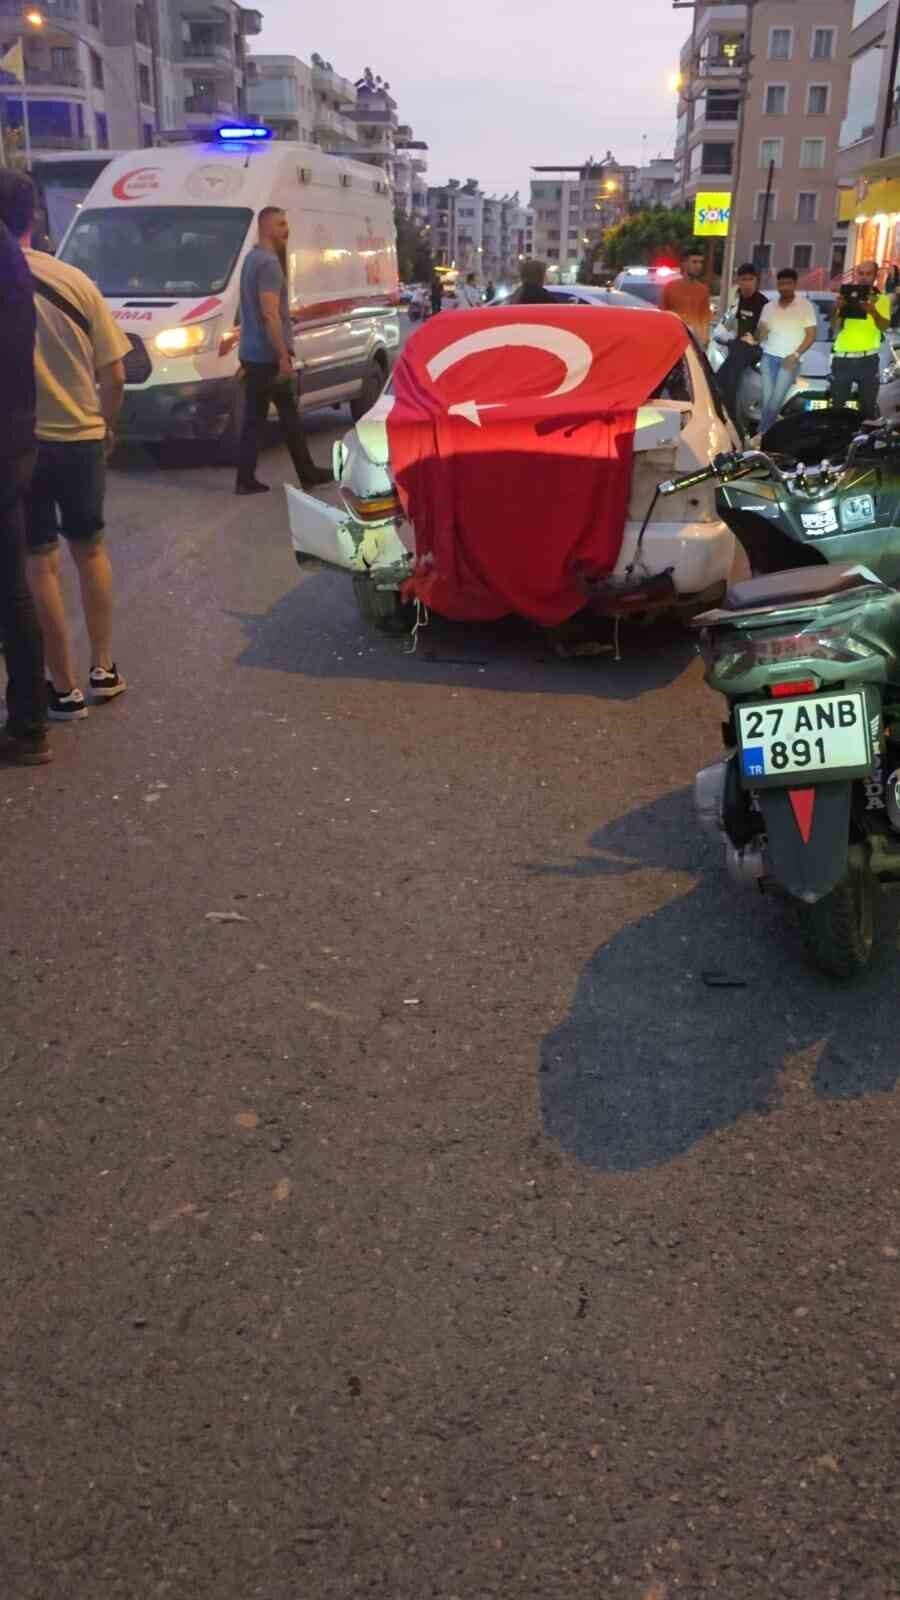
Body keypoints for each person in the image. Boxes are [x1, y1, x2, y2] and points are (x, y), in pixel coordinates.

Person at [0, 169, 131, 723]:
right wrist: (106, 424)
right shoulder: (77, 282)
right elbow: (116, 373)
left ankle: (64, 686)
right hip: (80, 436)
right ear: (33, 217)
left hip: (22, 444)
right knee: (91, 549)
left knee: (40, 565)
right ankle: (104, 667)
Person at [235, 206, 332, 497]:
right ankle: (308, 473)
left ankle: (245, 479)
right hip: (267, 357)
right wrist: (282, 356)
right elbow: (269, 313)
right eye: (280, 224)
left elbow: (249, 310)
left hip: (251, 352)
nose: (286, 229)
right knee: (288, 416)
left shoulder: (250, 260)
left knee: (256, 419)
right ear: (265, 228)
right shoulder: (268, 264)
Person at [0, 204, 50, 765]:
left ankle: (30, 720)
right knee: (13, 586)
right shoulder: (12, 260)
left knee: (12, 588)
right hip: (14, 437)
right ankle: (30, 720)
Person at [755, 267, 817, 437]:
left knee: (775, 401)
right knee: (767, 400)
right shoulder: (769, 307)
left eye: (788, 284)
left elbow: (811, 335)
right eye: (781, 284)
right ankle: (771, 436)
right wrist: (760, 332)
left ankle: (761, 434)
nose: (784, 287)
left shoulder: (805, 306)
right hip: (768, 357)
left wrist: (795, 355)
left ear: (795, 284)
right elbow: (760, 336)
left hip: (790, 360)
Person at [831, 258, 892, 422]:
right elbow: (835, 328)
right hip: (842, 358)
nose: (864, 277)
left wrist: (873, 312)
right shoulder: (846, 296)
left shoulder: (882, 299)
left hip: (868, 360)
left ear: (875, 276)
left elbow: (884, 326)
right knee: (836, 409)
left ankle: (862, 445)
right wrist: (837, 308)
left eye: (868, 274)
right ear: (856, 274)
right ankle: (837, 444)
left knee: (867, 409)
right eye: (861, 273)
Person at [715, 262, 768, 438]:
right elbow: (727, 325)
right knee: (735, 352)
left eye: (750, 279)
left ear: (756, 281)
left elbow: (767, 333)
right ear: (739, 281)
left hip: (755, 348)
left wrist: (755, 339)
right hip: (738, 346)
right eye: (744, 279)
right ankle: (718, 392)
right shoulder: (738, 301)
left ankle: (727, 405)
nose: (747, 283)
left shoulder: (763, 304)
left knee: (738, 354)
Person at [661, 247, 711, 346]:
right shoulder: (669, 288)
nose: (698, 266)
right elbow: (663, 317)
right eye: (694, 262)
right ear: (684, 264)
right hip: (674, 341)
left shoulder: (703, 290)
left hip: (694, 343)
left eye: (701, 262)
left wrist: (704, 341)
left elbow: (705, 319)